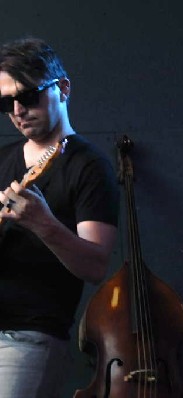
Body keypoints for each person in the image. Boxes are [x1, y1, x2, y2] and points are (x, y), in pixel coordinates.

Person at [0, 37, 119, 397]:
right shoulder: (1, 157)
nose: (18, 110)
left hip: (27, 338)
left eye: (29, 96)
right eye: (6, 102)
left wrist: (43, 223)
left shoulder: (89, 166)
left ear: (62, 88)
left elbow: (96, 266)